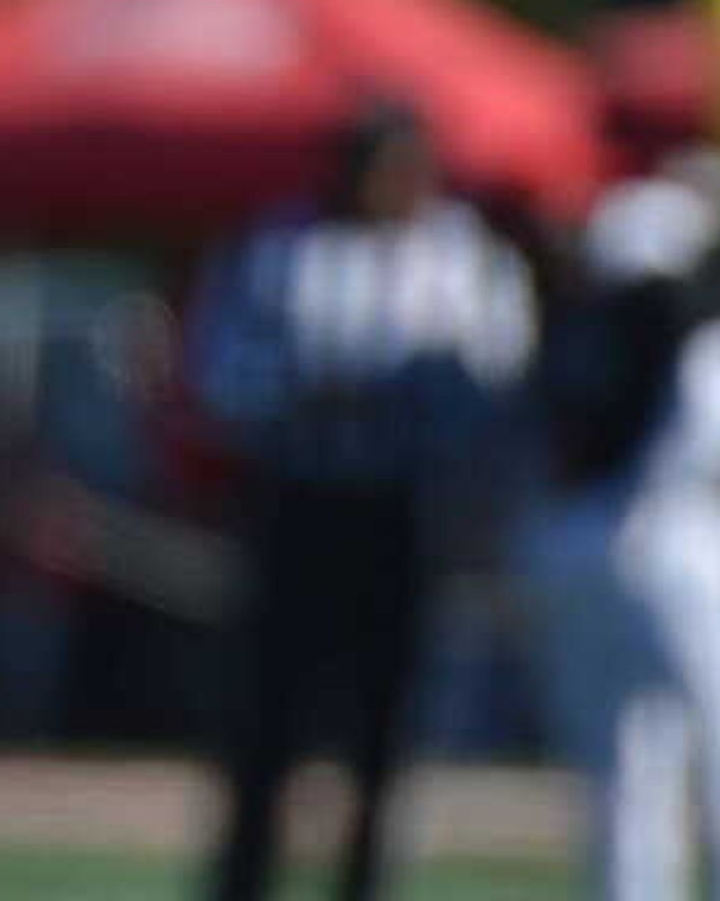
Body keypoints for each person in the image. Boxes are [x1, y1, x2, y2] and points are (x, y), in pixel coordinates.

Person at [186, 100, 534, 901]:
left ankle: (365, 883)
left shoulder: (461, 254)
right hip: (298, 502)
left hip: (403, 508)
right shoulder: (276, 246)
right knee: (268, 719)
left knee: (385, 724)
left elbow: (497, 377)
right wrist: (304, 392)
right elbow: (219, 368)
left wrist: (409, 395)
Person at [521, 162, 720, 901]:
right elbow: (716, 432)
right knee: (716, 751)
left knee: (634, 761)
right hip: (678, 539)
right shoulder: (703, 318)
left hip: (591, 536)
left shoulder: (590, 316)